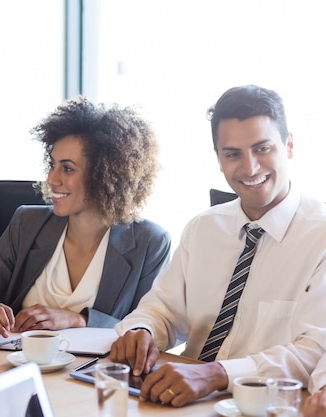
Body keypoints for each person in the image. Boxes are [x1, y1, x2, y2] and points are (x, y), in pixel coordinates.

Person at [109, 84, 326, 407]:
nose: (250, 168)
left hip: (261, 405)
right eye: (233, 154)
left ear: (289, 145)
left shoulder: (320, 236)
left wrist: (217, 374)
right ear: (218, 159)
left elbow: (313, 350)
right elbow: (162, 309)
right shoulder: (202, 229)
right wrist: (143, 330)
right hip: (181, 399)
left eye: (262, 148)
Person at [0, 96, 171, 337]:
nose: (52, 179)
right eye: (52, 165)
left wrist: (78, 320)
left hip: (96, 372)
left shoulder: (150, 242)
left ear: (107, 174)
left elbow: (149, 330)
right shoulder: (26, 224)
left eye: (68, 168)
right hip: (16, 366)